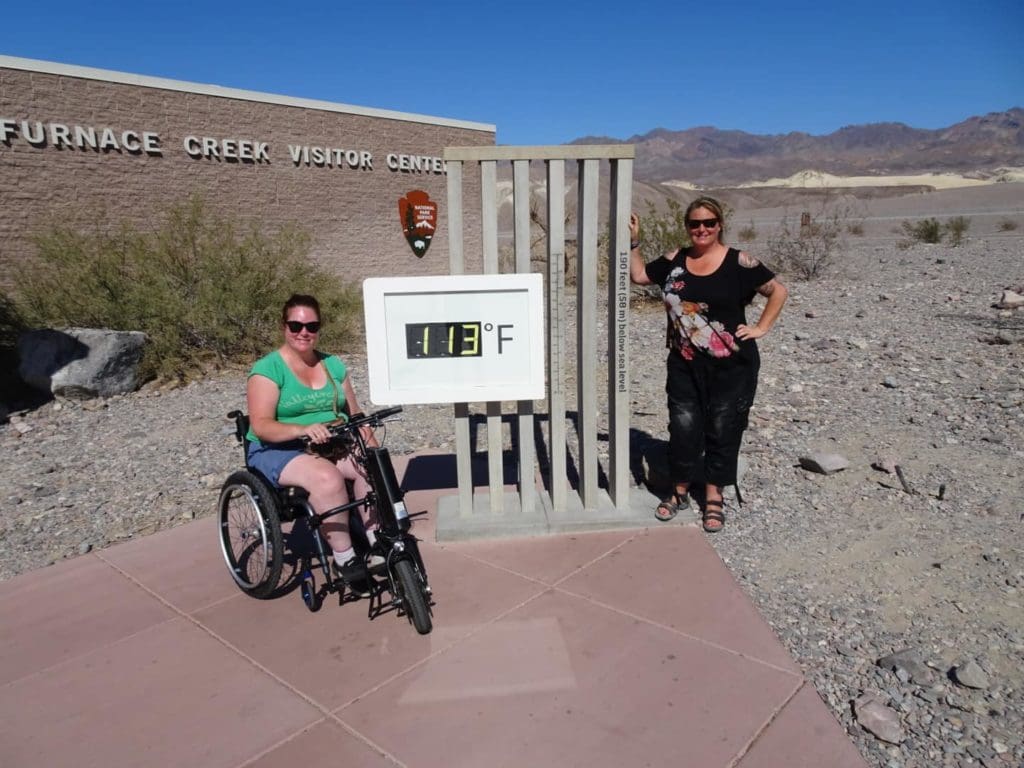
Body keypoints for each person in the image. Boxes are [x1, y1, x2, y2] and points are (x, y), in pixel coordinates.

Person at [629, 197, 788, 532]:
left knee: (722, 427)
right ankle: (680, 490)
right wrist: (634, 241)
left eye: (709, 223)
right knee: (684, 425)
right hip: (684, 362)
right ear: (687, 226)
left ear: (719, 225)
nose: (702, 229)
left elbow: (778, 292)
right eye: (695, 224)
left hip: (732, 365)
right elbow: (641, 276)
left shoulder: (739, 262)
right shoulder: (676, 258)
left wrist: (761, 327)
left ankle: (714, 495)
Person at [246, 293, 381, 591]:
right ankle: (345, 558)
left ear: (319, 328)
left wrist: (370, 446)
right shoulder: (268, 370)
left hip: (331, 441)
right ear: (284, 327)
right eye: (295, 326)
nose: (303, 332)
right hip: (280, 447)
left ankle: (376, 539)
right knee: (327, 478)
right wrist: (302, 429)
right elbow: (262, 425)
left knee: (369, 465)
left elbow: (354, 412)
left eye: (311, 326)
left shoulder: (333, 366)